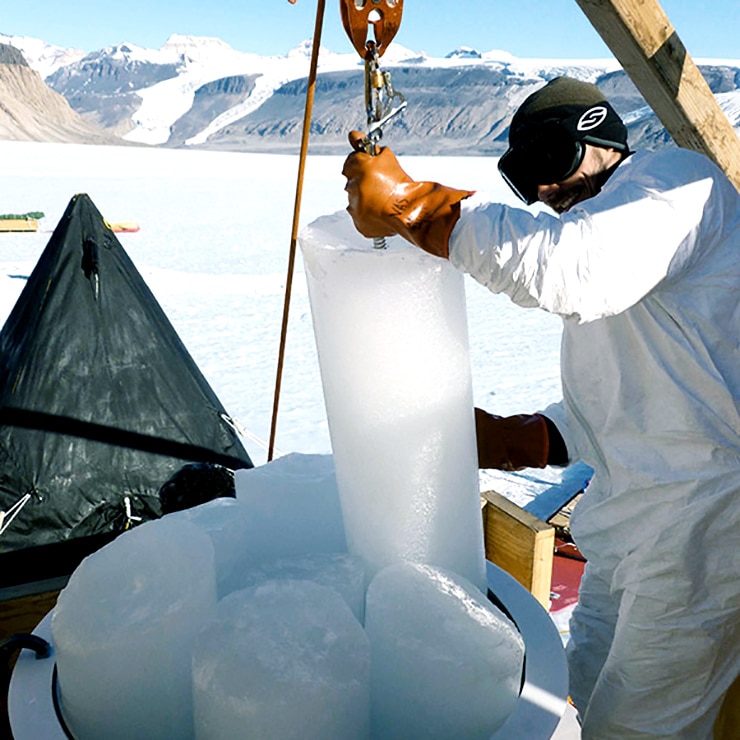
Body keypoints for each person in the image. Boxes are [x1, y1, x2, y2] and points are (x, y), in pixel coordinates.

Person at [342, 76, 739, 738]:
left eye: (548, 163)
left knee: (638, 727)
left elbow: (569, 269)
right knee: (580, 685)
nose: (545, 192)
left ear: (598, 137)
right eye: (522, 178)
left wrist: (420, 208)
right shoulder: (619, 243)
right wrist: (518, 438)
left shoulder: (674, 185)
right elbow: (627, 405)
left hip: (704, 525)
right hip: (632, 521)